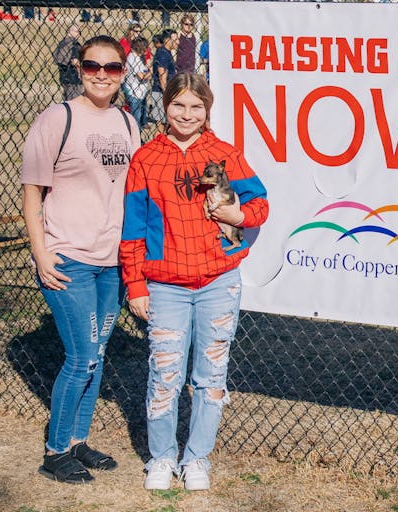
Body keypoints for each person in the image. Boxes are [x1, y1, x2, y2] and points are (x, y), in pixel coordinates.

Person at [121, 73, 269, 491]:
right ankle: (162, 458)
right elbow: (133, 228)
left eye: (196, 107)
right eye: (178, 106)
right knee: (165, 374)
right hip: (165, 284)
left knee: (211, 375)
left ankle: (197, 458)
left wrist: (235, 217)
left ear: (208, 110)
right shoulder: (146, 158)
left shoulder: (224, 154)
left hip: (218, 282)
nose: (186, 115)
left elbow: (260, 203)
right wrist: (135, 284)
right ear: (166, 106)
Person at [22, 35, 140, 484]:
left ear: (123, 72)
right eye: (93, 65)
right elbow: (32, 193)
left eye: (112, 68)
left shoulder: (128, 123)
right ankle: (55, 452)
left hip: (110, 262)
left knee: (99, 352)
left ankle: (77, 441)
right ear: (78, 66)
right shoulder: (58, 119)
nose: (102, 75)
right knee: (81, 356)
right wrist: (40, 252)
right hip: (68, 257)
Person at [149, 29, 178, 131]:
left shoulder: (166, 52)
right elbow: (162, 76)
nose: (177, 42)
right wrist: (167, 95)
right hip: (161, 92)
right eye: (175, 40)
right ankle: (157, 146)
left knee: (164, 124)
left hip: (164, 92)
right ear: (167, 40)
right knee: (161, 125)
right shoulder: (163, 53)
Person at [125, 37, 152, 127]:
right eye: (146, 47)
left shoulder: (137, 58)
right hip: (135, 94)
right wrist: (151, 72)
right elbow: (141, 77)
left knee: (138, 118)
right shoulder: (133, 58)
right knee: (136, 120)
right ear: (141, 48)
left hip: (139, 93)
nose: (147, 49)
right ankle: (136, 139)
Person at [53, 25, 83, 101]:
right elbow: (75, 61)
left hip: (63, 77)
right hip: (74, 78)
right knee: (75, 102)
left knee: (67, 101)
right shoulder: (74, 44)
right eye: (78, 32)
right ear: (71, 31)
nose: (79, 34)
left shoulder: (62, 43)